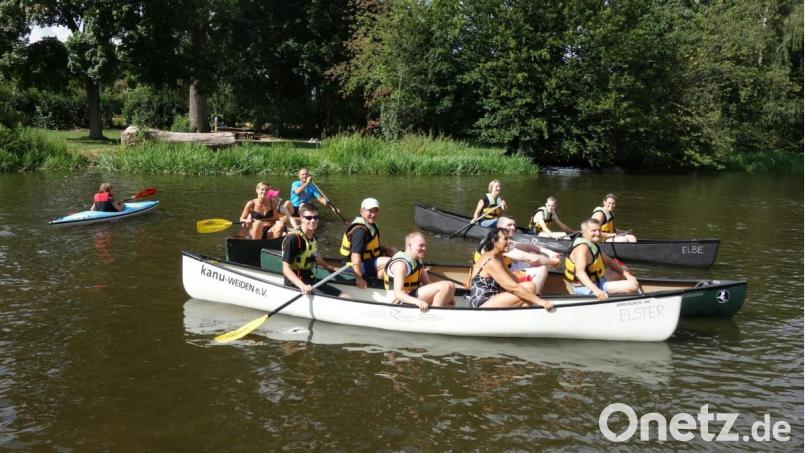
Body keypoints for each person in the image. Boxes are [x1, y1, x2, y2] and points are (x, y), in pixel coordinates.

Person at [467, 228, 555, 310]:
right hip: (481, 304)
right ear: (494, 242)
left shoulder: (498, 257)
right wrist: (541, 302)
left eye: (509, 238)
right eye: (505, 239)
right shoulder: (491, 260)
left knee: (530, 286)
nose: (509, 242)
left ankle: (521, 318)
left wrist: (526, 287)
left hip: (493, 298)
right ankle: (522, 319)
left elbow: (514, 280)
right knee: (529, 289)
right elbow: (513, 288)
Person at [472, 215, 560, 293]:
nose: (513, 228)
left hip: (497, 274)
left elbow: (529, 246)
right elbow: (531, 259)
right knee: (542, 268)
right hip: (490, 282)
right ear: (499, 227)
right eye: (509, 225)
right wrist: (554, 261)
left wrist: (550, 252)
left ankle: (528, 291)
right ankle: (534, 299)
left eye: (514, 225)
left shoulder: (499, 238)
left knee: (533, 252)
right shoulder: (500, 244)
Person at [564, 218, 639, 300]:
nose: (598, 233)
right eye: (594, 230)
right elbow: (579, 273)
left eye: (599, 230)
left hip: (598, 281)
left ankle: (613, 294)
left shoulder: (592, 244)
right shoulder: (582, 248)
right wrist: (596, 291)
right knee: (633, 285)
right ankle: (616, 300)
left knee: (624, 270)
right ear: (583, 232)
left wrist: (628, 275)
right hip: (585, 288)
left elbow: (609, 261)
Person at [281, 203, 346, 297]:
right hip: (296, 285)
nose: (313, 220)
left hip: (309, 279)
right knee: (343, 297)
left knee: (344, 295)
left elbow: (315, 256)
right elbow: (286, 269)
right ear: (301, 218)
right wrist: (302, 286)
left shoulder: (312, 236)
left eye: (316, 217)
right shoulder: (293, 239)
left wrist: (329, 267)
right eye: (309, 218)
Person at [384, 231, 456, 312]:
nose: (424, 248)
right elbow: (398, 294)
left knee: (451, 285)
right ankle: (435, 316)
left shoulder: (417, 260)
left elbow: (428, 284)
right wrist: (418, 302)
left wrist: (448, 295)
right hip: (397, 302)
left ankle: (437, 310)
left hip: (411, 296)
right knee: (445, 286)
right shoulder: (400, 265)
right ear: (410, 245)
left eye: (424, 246)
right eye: (421, 245)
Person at [339, 198, 394, 289]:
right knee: (392, 262)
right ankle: (396, 292)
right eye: (370, 211)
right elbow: (355, 256)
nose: (373, 214)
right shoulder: (359, 231)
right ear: (362, 210)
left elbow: (368, 245)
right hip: (351, 268)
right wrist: (359, 278)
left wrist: (383, 249)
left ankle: (385, 286)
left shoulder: (370, 224)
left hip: (366, 262)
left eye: (376, 211)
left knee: (394, 256)